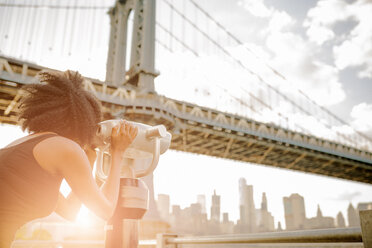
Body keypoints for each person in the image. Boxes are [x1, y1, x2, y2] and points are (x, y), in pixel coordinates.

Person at [0, 70, 138, 247]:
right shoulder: (65, 147)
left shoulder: (19, 148)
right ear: (85, 119)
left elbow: (69, 211)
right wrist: (118, 152)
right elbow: (105, 210)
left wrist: (89, 159)